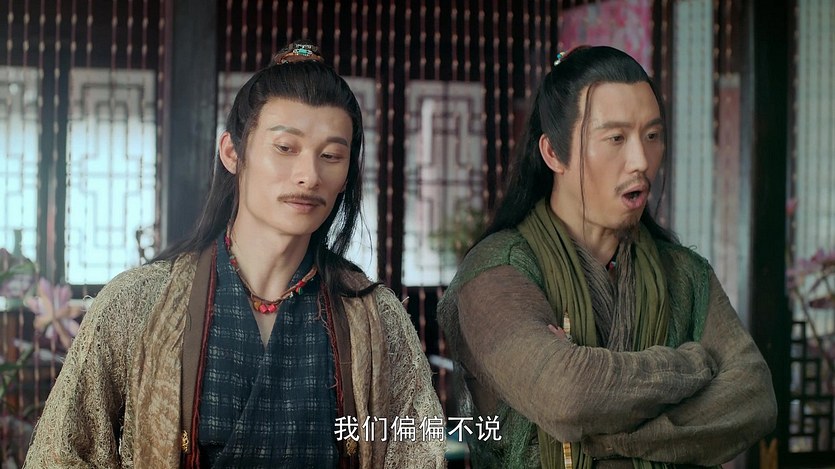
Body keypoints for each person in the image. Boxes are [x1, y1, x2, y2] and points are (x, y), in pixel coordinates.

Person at [25, 41, 446, 468]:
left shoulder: (376, 318)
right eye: (285, 148)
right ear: (232, 152)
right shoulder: (137, 304)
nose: (309, 175)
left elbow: (419, 455)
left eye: (331, 156)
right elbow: (58, 455)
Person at [437, 46, 776, 469]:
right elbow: (566, 394)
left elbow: (753, 397)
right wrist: (695, 363)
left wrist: (613, 435)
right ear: (553, 153)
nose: (641, 161)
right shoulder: (498, 269)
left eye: (652, 136)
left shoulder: (684, 274)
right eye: (616, 138)